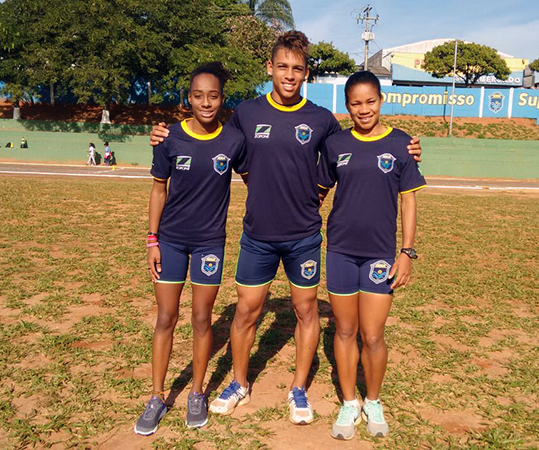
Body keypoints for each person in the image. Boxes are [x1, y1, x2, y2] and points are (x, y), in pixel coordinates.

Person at [149, 31, 422, 426]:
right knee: (245, 312)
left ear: (306, 73)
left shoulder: (322, 121)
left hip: (305, 236)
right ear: (270, 68)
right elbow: (213, 139)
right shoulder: (246, 113)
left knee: (306, 311)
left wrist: (407, 147)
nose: (289, 75)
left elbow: (357, 146)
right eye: (282, 67)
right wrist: (163, 133)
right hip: (257, 235)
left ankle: (298, 389)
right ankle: (239, 382)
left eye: (297, 68)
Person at [134, 62, 246, 435]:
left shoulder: (233, 140)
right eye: (198, 95)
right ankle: (157, 396)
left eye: (213, 96)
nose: (206, 102)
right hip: (170, 242)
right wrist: (152, 240)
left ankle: (196, 393)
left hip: (210, 243)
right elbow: (158, 190)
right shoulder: (169, 138)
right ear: (188, 99)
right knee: (166, 317)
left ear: (222, 99)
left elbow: (259, 173)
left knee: (202, 318)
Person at [318, 71, 426, 440]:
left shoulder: (401, 145)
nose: (363, 110)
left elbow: (408, 200)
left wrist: (407, 251)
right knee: (345, 330)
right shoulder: (336, 145)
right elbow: (317, 191)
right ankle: (349, 402)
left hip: (380, 255)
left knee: (373, 334)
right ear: (346, 106)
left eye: (370, 101)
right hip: (341, 252)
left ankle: (373, 400)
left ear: (381, 101)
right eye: (355, 103)